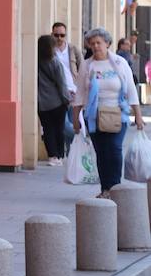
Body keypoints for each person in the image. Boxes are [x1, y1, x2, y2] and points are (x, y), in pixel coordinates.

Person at [72, 28, 146, 198]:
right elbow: (80, 93)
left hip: (117, 115)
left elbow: (130, 91)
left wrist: (138, 116)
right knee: (101, 152)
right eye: (92, 43)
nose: (96, 46)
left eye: (99, 43)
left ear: (107, 44)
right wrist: (76, 118)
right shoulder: (88, 65)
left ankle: (115, 188)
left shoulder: (120, 63)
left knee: (114, 149)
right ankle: (105, 189)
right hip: (94, 116)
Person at [36, 33, 75, 165]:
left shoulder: (35, 62)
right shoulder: (55, 63)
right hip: (57, 102)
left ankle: (51, 156)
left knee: (47, 129)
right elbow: (61, 83)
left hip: (41, 102)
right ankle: (59, 155)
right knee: (59, 128)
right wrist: (66, 99)